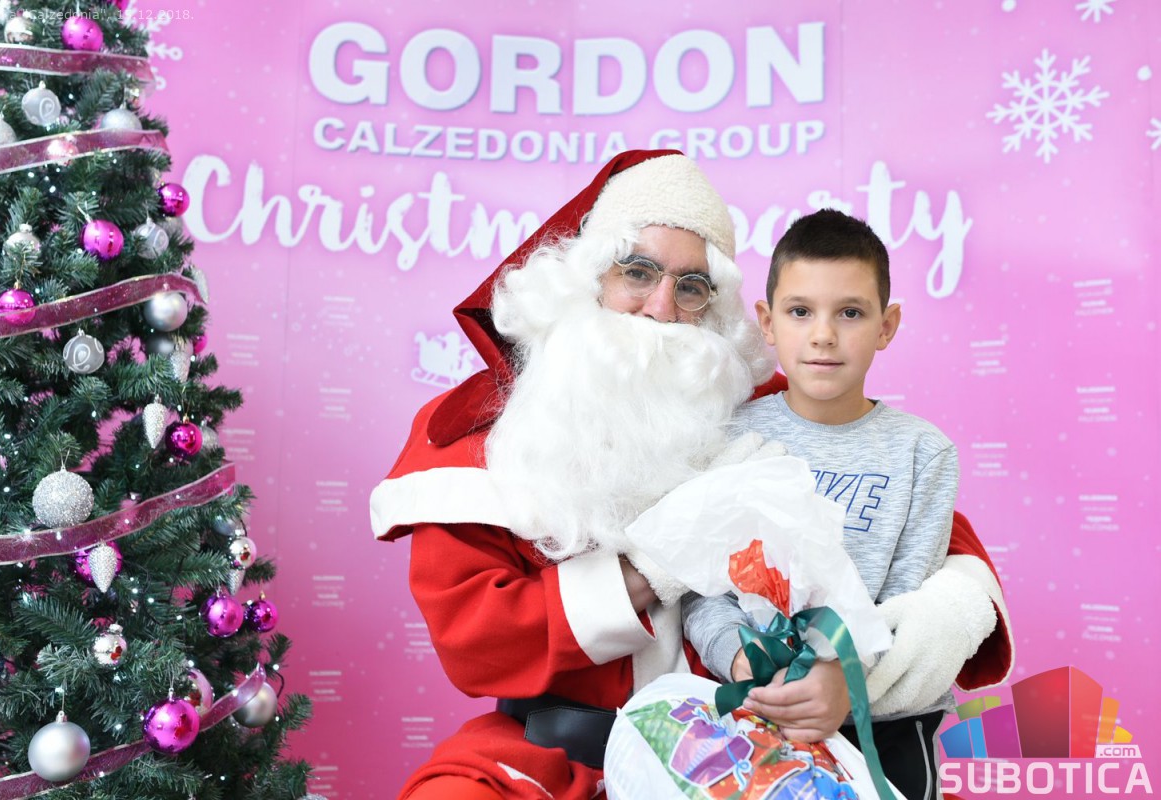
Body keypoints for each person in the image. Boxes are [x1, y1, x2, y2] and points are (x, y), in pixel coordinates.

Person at [370, 151, 1013, 800]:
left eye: (691, 286)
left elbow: (947, 561)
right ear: (585, 280)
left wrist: (883, 659)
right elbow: (477, 643)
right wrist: (654, 565)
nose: (661, 308)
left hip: (741, 752)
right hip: (555, 759)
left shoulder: (757, 410)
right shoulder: (489, 437)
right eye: (637, 272)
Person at [683, 208, 983, 799]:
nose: (823, 334)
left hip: (884, 725)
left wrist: (845, 679)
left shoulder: (923, 453)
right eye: (800, 311)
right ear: (767, 322)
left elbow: (909, 607)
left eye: (850, 312)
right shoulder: (730, 438)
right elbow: (701, 586)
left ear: (886, 326)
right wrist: (740, 658)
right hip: (759, 709)